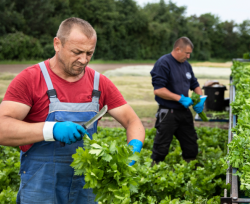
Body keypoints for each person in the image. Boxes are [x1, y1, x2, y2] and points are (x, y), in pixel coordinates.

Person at [0, 17, 145, 204]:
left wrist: (132, 151)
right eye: (77, 52)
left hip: (85, 188)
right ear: (57, 44)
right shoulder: (31, 79)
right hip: (40, 187)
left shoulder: (99, 83)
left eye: (89, 53)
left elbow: (132, 121)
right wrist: (51, 130)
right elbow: (2, 128)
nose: (83, 60)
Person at [150, 37, 206, 165]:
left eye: (190, 53)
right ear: (177, 49)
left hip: (184, 112)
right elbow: (158, 90)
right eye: (187, 53)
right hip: (168, 113)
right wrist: (180, 98)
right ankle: (155, 169)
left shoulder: (186, 65)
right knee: (161, 146)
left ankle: (190, 168)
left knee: (191, 144)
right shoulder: (163, 63)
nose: (189, 56)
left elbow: (195, 84)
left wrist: (201, 99)